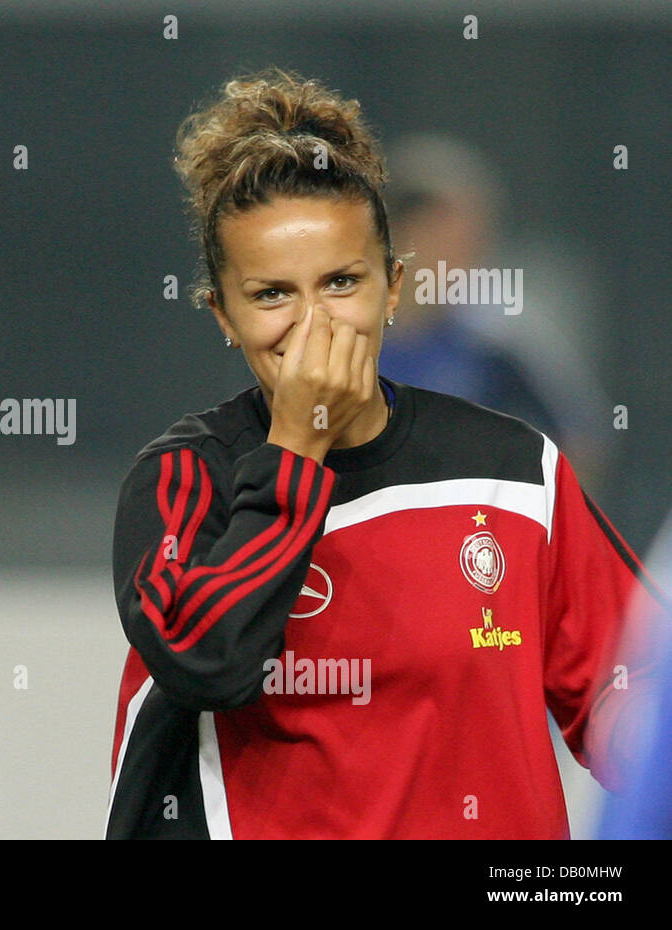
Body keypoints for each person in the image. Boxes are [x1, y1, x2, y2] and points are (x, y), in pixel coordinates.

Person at [105, 68, 660, 839]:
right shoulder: (183, 481)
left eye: (341, 282)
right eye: (270, 295)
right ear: (222, 316)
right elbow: (209, 661)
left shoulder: (513, 472)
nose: (313, 325)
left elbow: (638, 699)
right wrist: (298, 444)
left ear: (393, 287)